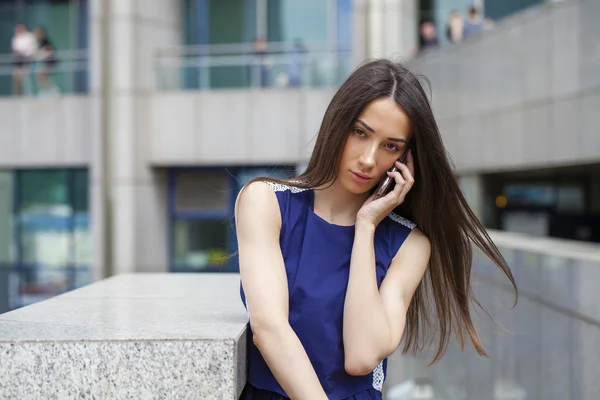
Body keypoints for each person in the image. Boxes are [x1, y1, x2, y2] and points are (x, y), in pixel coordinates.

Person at [235, 59, 517, 400]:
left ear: (405, 160)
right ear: (337, 124)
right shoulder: (266, 203)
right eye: (360, 132)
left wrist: (366, 227)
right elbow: (269, 330)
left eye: (390, 146)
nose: (369, 159)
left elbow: (361, 357)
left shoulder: (409, 244)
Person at [11, 23, 38, 95]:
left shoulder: (30, 37)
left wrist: (24, 53)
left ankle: (29, 95)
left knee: (26, 79)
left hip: (28, 60)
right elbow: (14, 49)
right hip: (18, 61)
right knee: (16, 78)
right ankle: (17, 95)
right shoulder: (16, 37)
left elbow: (32, 49)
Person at [34, 26, 59, 95]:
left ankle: (52, 91)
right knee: (40, 76)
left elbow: (50, 50)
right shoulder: (38, 42)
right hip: (47, 63)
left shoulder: (45, 40)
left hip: (52, 63)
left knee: (40, 74)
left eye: (38, 32)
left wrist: (41, 55)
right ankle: (46, 90)